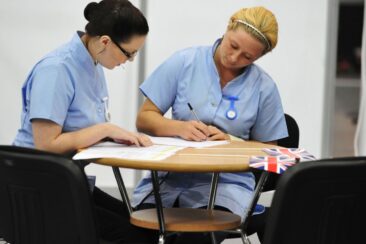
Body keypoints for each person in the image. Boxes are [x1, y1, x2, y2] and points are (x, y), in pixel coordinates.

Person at [132, 6, 288, 243]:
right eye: (233, 45)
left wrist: (232, 141)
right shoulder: (184, 62)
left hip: (228, 188)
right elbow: (144, 118)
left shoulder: (264, 88)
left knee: (196, 238)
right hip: (168, 180)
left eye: (247, 57)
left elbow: (273, 154)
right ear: (227, 28)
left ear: (259, 58)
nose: (234, 58)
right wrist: (179, 128)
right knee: (134, 234)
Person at [13, 0, 157, 243]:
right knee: (134, 235)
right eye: (129, 53)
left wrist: (115, 135)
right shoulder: (57, 70)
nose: (130, 60)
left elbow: (80, 126)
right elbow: (46, 145)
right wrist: (105, 129)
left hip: (63, 179)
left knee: (141, 222)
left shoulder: (93, 61)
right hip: (36, 186)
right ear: (105, 42)